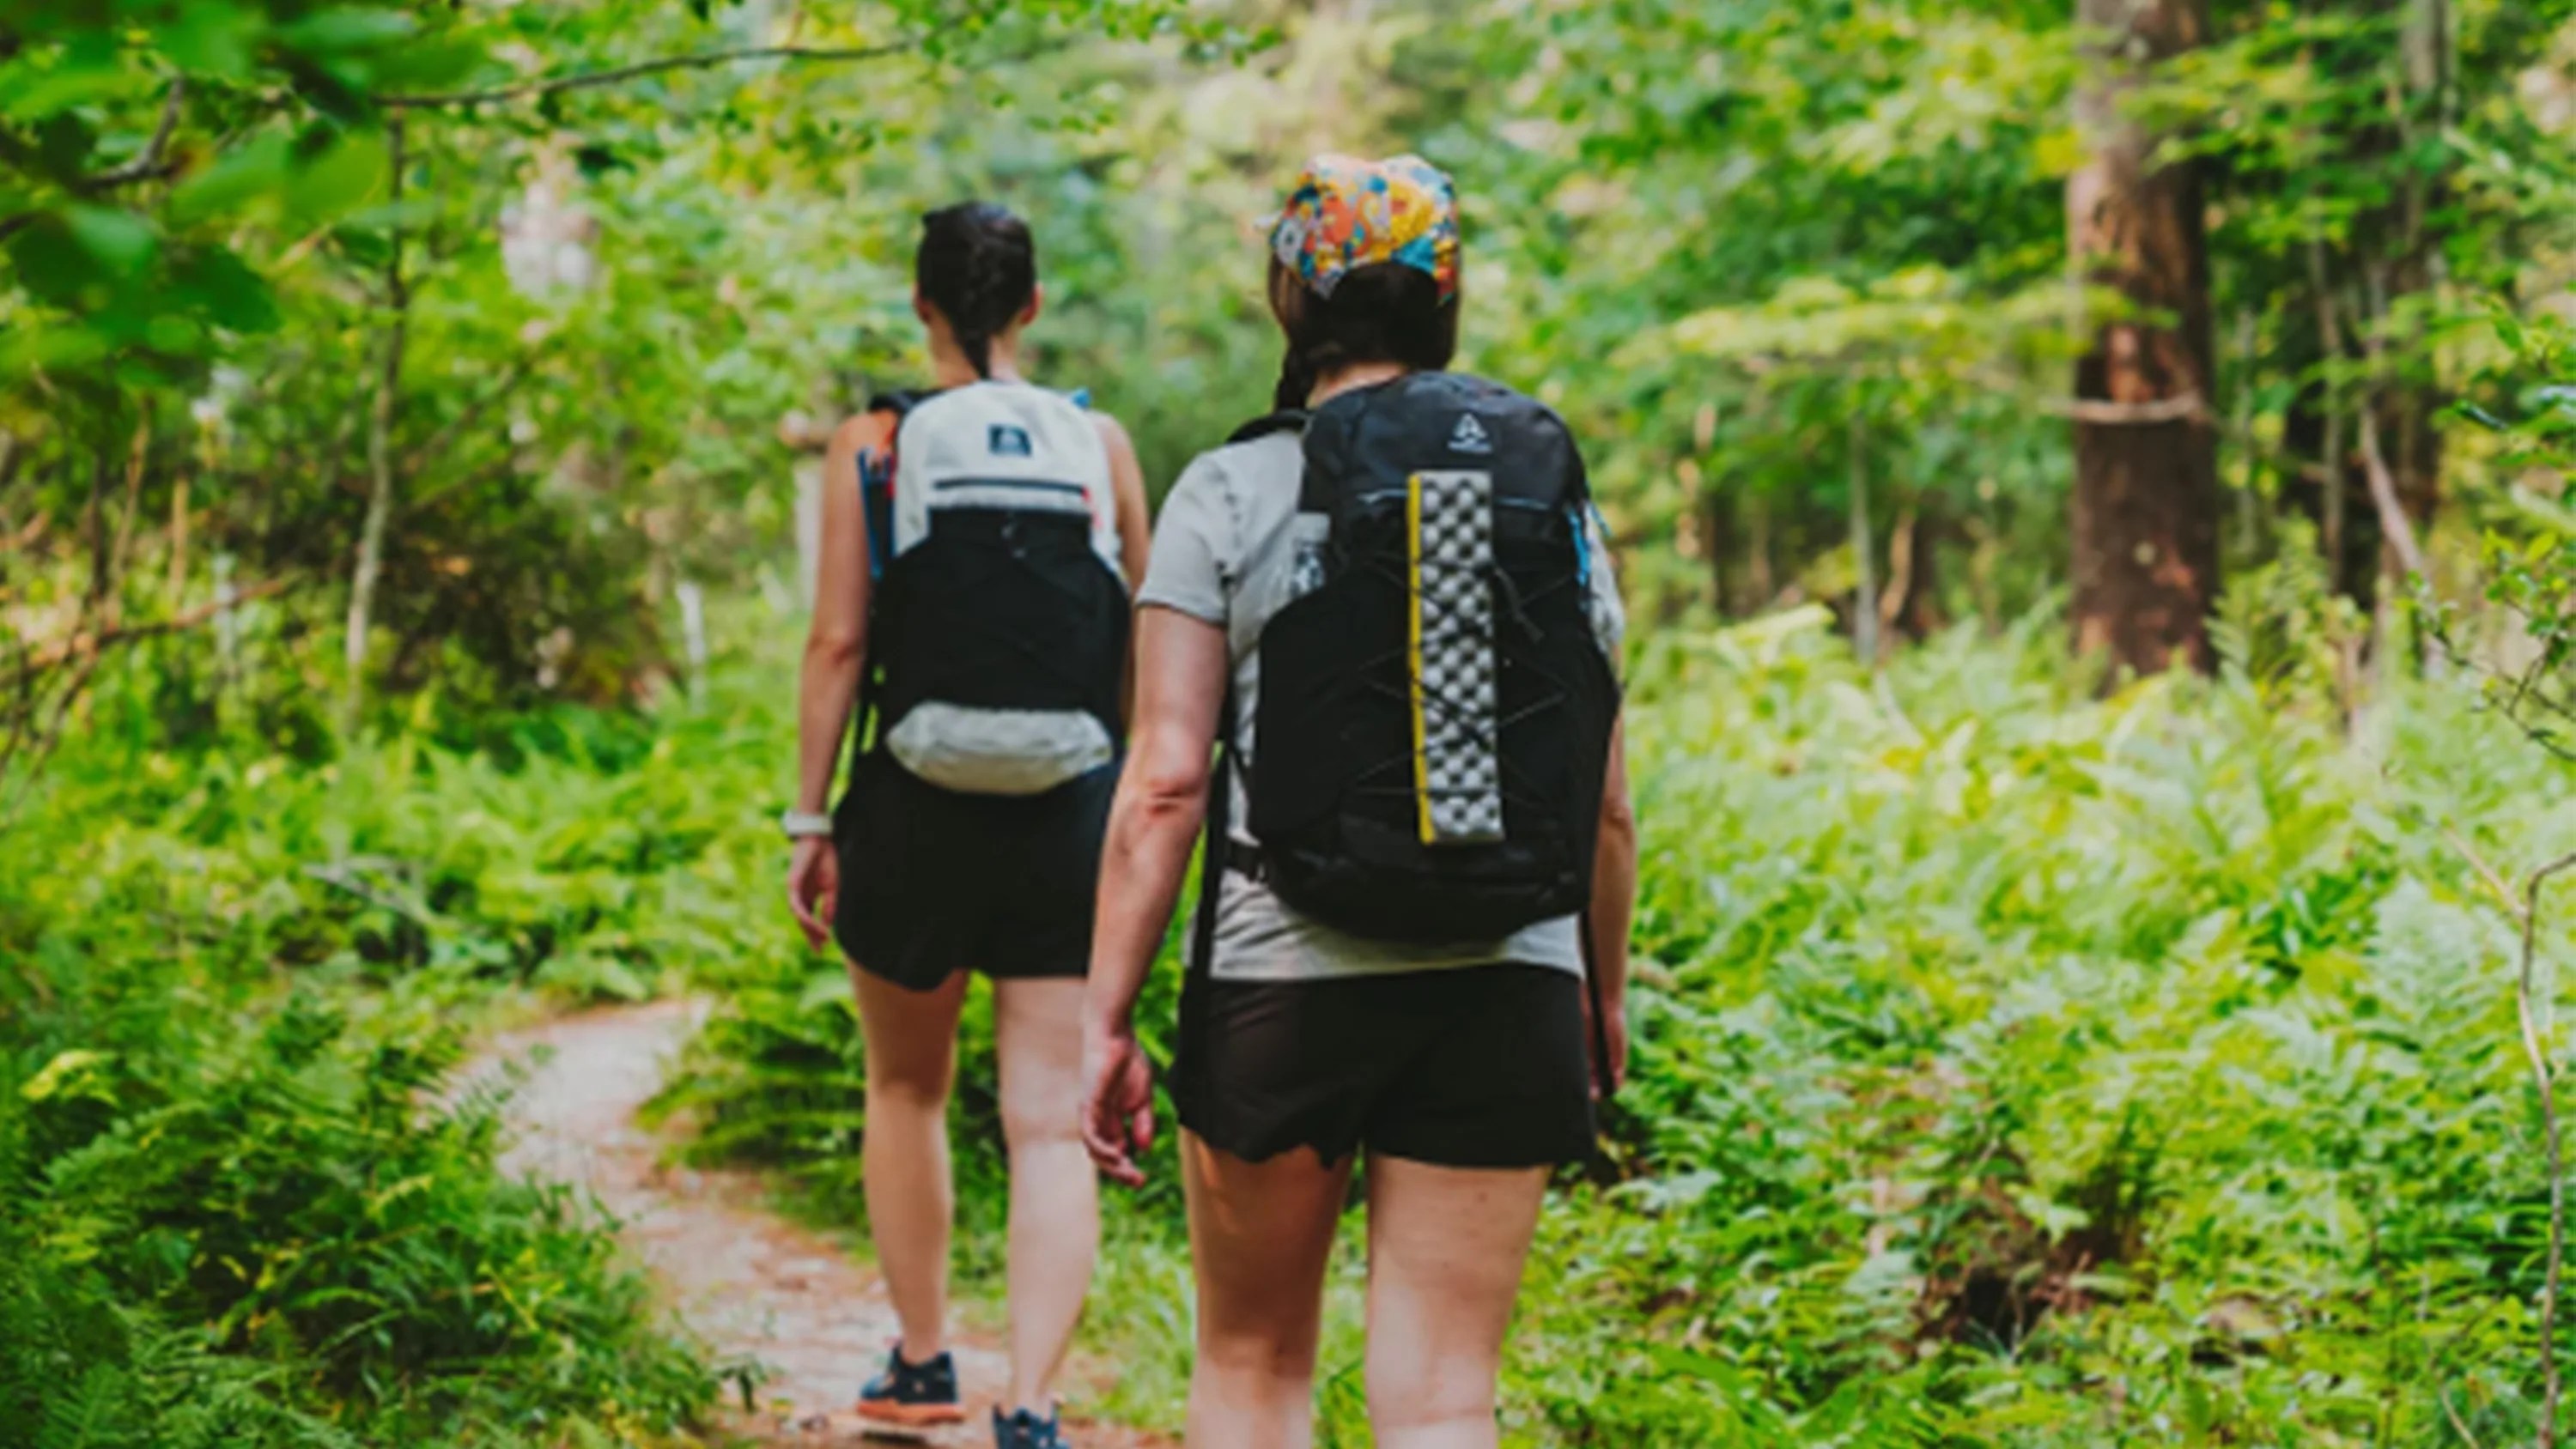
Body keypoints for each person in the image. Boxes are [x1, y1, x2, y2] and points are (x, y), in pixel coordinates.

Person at [1078, 155, 1639, 1449]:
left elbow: (1163, 779)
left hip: (1286, 981)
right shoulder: (1549, 498)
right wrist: (1599, 992)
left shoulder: (1231, 488)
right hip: (1509, 975)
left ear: (1292, 298)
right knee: (1446, 1393)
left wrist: (1106, 1018)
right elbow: (1604, 801)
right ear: (1444, 302)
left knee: (1255, 1361)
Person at [784, 200, 1152, 1449]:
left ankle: (925, 1365)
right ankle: (1034, 1407)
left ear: (923, 306)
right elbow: (1142, 643)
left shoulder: (874, 441)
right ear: (1033, 307)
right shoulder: (1100, 444)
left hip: (911, 802)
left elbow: (838, 641)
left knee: (907, 1087)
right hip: (1068, 812)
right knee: (1048, 1119)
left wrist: (808, 815)